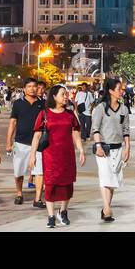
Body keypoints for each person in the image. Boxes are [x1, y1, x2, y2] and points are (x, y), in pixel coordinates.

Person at [28, 83, 84, 228]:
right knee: (51, 184)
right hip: (50, 156)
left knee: (67, 185)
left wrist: (81, 150)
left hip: (67, 155)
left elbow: (76, 133)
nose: (66, 97)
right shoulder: (44, 114)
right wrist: (32, 155)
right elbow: (36, 136)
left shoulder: (70, 114)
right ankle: (51, 216)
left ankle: (63, 211)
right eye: (63, 94)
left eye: (66, 94)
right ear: (54, 97)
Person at [90, 77, 131, 222]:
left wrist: (127, 147)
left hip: (118, 148)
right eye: (119, 89)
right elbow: (94, 128)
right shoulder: (100, 108)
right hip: (103, 149)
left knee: (113, 179)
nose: (121, 92)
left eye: (122, 89)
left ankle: (106, 208)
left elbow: (126, 129)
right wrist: (99, 145)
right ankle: (107, 208)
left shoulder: (124, 109)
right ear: (111, 91)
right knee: (105, 177)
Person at [7, 78, 46, 208]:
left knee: (39, 172)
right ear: (24, 89)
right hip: (21, 142)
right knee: (18, 172)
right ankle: (19, 193)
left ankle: (37, 198)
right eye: (29, 86)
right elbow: (13, 123)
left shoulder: (43, 104)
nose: (32, 89)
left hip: (39, 144)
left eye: (34, 86)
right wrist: (8, 141)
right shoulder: (18, 103)